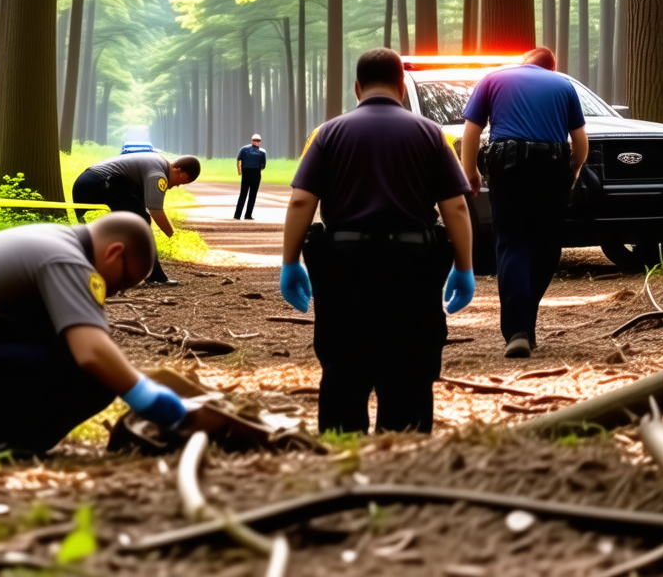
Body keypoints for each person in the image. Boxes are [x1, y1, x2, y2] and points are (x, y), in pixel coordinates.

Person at [278, 47, 475, 435]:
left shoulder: (328, 133)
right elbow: (457, 208)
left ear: (357, 87)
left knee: (343, 365)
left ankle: (342, 455)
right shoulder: (431, 133)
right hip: (413, 264)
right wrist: (464, 266)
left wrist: (290, 262)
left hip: (344, 263)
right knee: (410, 366)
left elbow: (302, 200)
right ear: (402, 87)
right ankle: (403, 461)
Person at [0, 212, 188, 456]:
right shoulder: (67, 259)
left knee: (57, 351)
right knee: (92, 378)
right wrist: (148, 398)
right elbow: (91, 351)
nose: (115, 292)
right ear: (114, 252)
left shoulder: (54, 240)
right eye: (122, 281)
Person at [460, 47, 588, 359]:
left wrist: (471, 171)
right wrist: (573, 171)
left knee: (513, 244)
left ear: (524, 62)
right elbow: (581, 142)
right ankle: (525, 322)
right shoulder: (564, 86)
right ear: (551, 67)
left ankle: (518, 330)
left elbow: (471, 132)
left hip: (509, 166)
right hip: (553, 165)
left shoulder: (493, 78)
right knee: (547, 246)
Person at [71, 153, 201, 286]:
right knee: (141, 222)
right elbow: (155, 210)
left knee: (130, 223)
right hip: (99, 184)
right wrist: (171, 234)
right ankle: (154, 274)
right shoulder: (158, 174)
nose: (177, 185)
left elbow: (141, 202)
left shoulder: (156, 162)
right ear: (177, 169)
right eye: (182, 180)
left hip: (87, 183)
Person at [234, 134, 267, 220]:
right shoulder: (246, 149)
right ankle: (241, 215)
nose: (256, 142)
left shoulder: (260, 151)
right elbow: (263, 165)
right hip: (250, 172)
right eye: (255, 140)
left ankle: (244, 215)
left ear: (260, 141)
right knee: (245, 194)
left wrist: (241, 172)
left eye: (258, 140)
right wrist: (241, 172)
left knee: (250, 194)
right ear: (252, 140)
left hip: (252, 172)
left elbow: (263, 164)